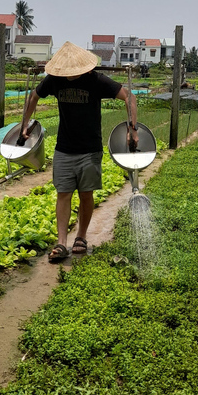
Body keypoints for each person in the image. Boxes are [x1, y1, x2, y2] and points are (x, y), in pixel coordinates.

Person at [20, 41, 138, 262]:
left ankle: (81, 237)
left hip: (90, 149)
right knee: (63, 194)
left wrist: (133, 129)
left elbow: (130, 98)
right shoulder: (54, 81)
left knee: (86, 194)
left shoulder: (97, 81)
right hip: (64, 148)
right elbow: (34, 96)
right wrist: (24, 124)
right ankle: (62, 242)